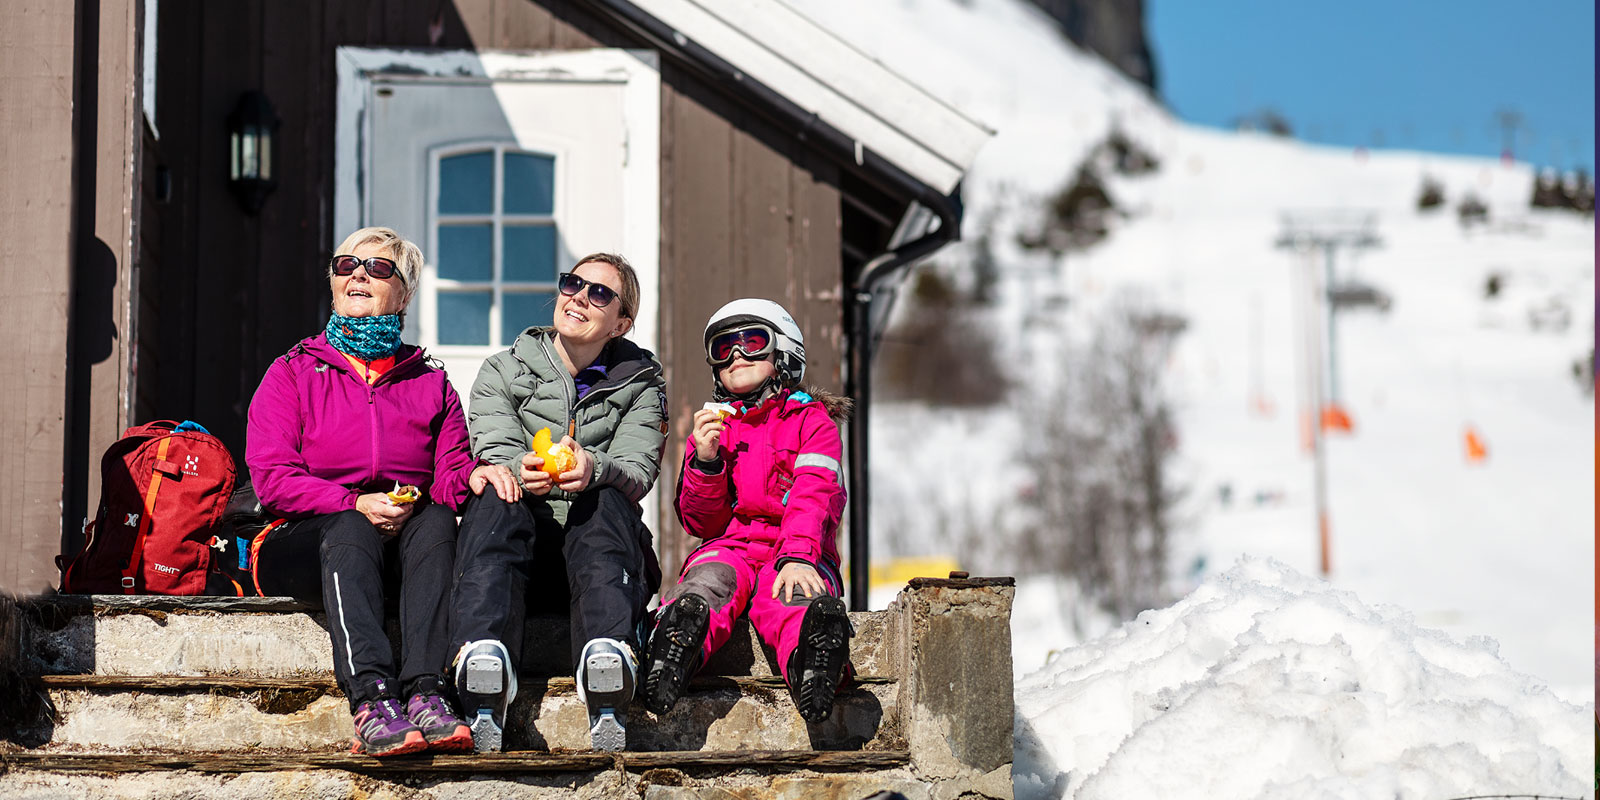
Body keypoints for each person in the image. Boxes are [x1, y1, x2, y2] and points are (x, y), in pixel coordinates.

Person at [246, 226, 521, 757]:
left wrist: (472, 477)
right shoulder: (291, 372)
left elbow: (449, 472)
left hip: (397, 544)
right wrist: (352, 502)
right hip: (303, 540)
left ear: (405, 292)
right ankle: (371, 696)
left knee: (438, 519)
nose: (358, 276)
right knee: (349, 527)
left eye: (377, 268)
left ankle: (425, 690)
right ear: (332, 283)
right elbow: (274, 480)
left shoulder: (429, 381)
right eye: (346, 265)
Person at [449, 253, 666, 753]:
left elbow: (637, 471)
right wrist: (520, 469)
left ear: (622, 322)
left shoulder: (642, 384)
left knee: (607, 498)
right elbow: (493, 446)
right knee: (494, 490)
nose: (578, 297)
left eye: (600, 294)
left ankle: (607, 662)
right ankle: (484, 661)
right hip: (520, 554)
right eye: (573, 283)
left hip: (599, 561)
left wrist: (593, 468)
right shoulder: (503, 369)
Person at [640, 298, 853, 723]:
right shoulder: (715, 427)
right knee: (708, 581)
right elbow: (703, 522)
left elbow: (815, 494)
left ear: (783, 353)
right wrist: (705, 459)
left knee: (793, 596)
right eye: (723, 349)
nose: (736, 355)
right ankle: (675, 648)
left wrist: (798, 556)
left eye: (752, 342)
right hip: (732, 546)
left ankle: (813, 660)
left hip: (793, 550)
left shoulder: (812, 422)